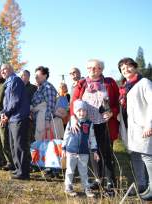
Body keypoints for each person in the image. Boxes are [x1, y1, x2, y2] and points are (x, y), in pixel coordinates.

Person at [70, 59, 119, 193]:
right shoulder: (82, 84)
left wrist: (112, 113)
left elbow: (117, 104)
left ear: (101, 70)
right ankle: (99, 180)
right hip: (87, 125)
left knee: (106, 152)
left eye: (96, 68)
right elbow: (74, 103)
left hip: (104, 124)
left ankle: (111, 182)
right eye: (90, 68)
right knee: (93, 152)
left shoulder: (109, 82)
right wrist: (73, 117)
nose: (93, 70)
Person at [118, 57, 152, 200]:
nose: (126, 70)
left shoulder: (144, 82)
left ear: (135, 67)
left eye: (129, 66)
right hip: (130, 129)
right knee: (135, 157)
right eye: (123, 68)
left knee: (147, 157)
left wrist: (149, 124)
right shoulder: (125, 88)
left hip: (143, 127)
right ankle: (142, 185)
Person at [62, 100, 99, 198]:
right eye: (79, 111)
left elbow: (92, 137)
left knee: (84, 171)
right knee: (70, 170)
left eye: (84, 110)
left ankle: (86, 187)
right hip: (71, 151)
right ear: (75, 111)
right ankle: (68, 186)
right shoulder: (71, 122)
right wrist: (64, 148)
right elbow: (66, 135)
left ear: (86, 111)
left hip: (84, 152)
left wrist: (94, 150)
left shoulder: (89, 124)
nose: (82, 113)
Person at [0, 64, 30, 180]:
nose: (3, 72)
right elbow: (7, 102)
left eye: (5, 69)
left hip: (19, 118)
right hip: (12, 118)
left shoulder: (15, 81)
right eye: (1, 70)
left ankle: (23, 173)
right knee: (13, 145)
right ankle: (18, 169)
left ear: (11, 70)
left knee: (19, 146)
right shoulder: (8, 82)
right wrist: (4, 113)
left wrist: (6, 113)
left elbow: (14, 100)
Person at [31, 66, 58, 141]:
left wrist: (47, 121)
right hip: (39, 120)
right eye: (35, 75)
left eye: (38, 74)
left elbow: (50, 105)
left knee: (45, 145)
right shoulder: (39, 88)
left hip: (44, 121)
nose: (35, 76)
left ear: (45, 75)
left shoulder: (47, 87)